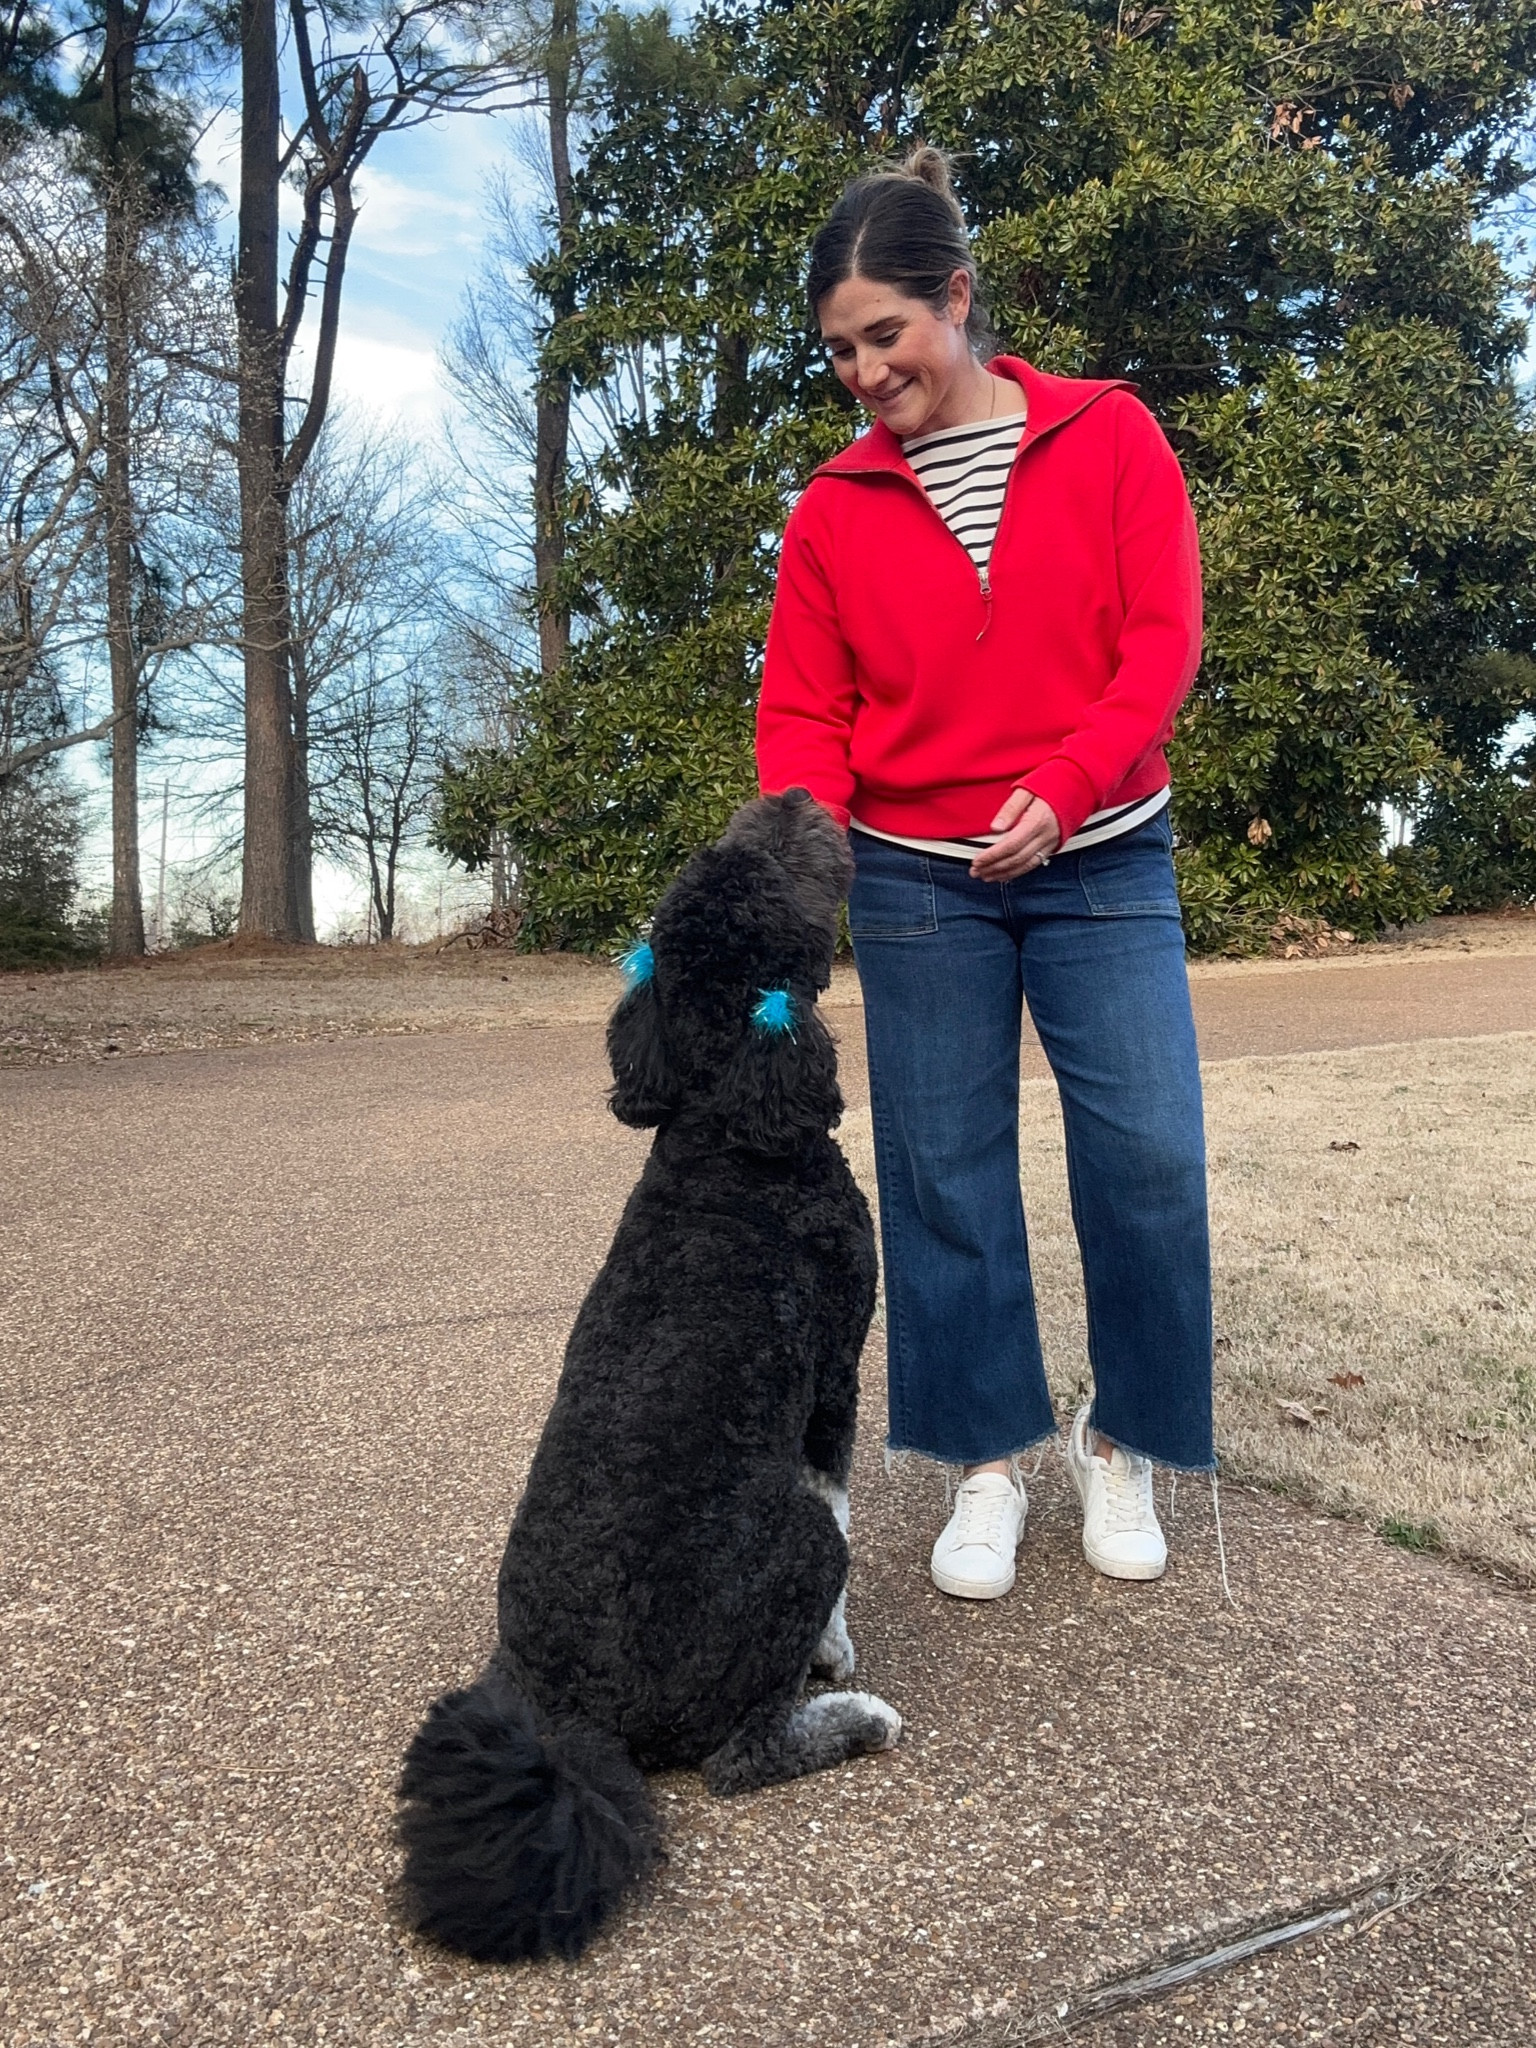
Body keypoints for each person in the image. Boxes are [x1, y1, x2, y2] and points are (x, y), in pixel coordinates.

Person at [756, 146, 1213, 1601]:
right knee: (943, 1172)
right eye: (838, 349)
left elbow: (1161, 640)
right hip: (915, 879)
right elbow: (803, 715)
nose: (863, 371)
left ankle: (1125, 1435)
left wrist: (1071, 783)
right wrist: (801, 874)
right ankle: (986, 1463)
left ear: (957, 299)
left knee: (1149, 1156)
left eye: (885, 333)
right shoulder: (833, 506)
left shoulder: (1110, 433)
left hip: (1104, 857)